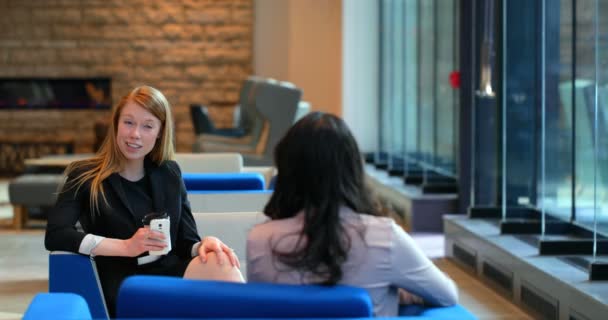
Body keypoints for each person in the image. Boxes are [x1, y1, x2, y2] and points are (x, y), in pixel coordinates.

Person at [45, 85, 243, 316]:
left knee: (221, 263)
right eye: (128, 122)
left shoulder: (169, 172)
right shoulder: (85, 175)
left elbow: (185, 241)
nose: (135, 134)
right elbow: (56, 235)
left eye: (147, 126)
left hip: (169, 274)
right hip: (124, 283)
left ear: (160, 132)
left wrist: (202, 245)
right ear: (117, 123)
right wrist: (126, 246)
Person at [246, 112, 458, 317]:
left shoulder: (259, 240)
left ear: (287, 171)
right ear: (353, 168)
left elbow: (263, 309)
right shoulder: (385, 237)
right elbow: (447, 295)